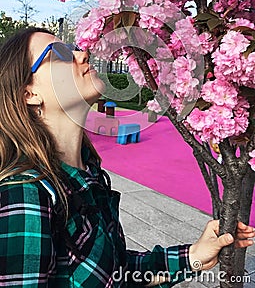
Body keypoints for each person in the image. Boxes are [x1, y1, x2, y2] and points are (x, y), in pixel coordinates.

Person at [0, 27, 254, 288]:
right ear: (29, 94)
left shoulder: (90, 173)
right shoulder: (26, 193)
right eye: (60, 54)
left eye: (73, 47)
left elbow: (118, 270)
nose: (82, 54)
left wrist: (194, 257)